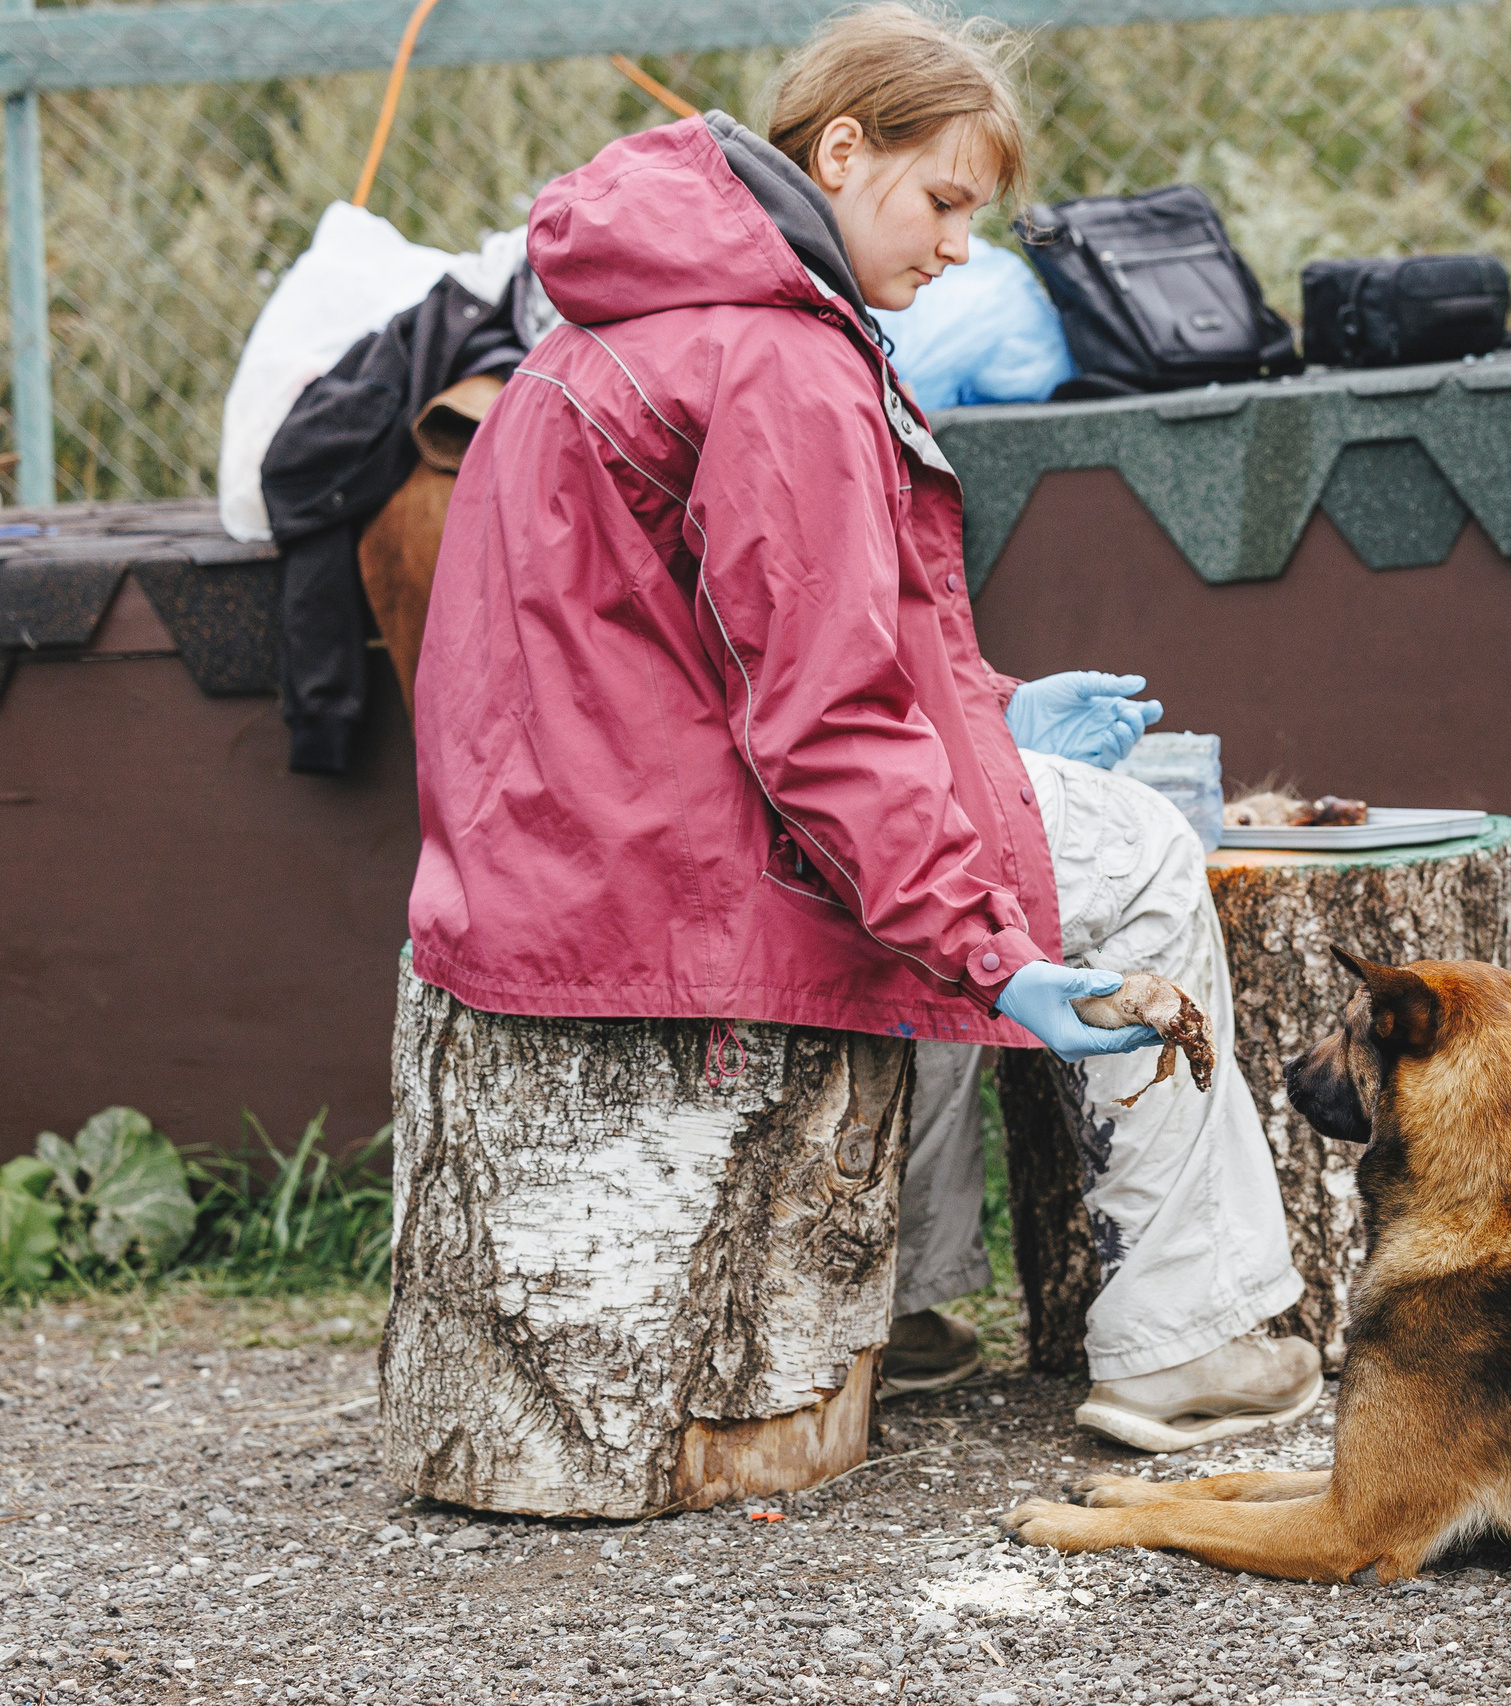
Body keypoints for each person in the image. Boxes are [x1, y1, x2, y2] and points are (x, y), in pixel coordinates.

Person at [406, 3, 1317, 1452]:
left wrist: (1003, 716)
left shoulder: (625, 316)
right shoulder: (784, 362)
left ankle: (919, 1302)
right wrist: (994, 949)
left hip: (573, 850)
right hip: (677, 881)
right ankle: (1195, 1340)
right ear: (842, 150)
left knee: (961, 863)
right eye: (945, 197)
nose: (962, 246)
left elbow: (746, 656)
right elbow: (827, 727)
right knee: (1131, 852)